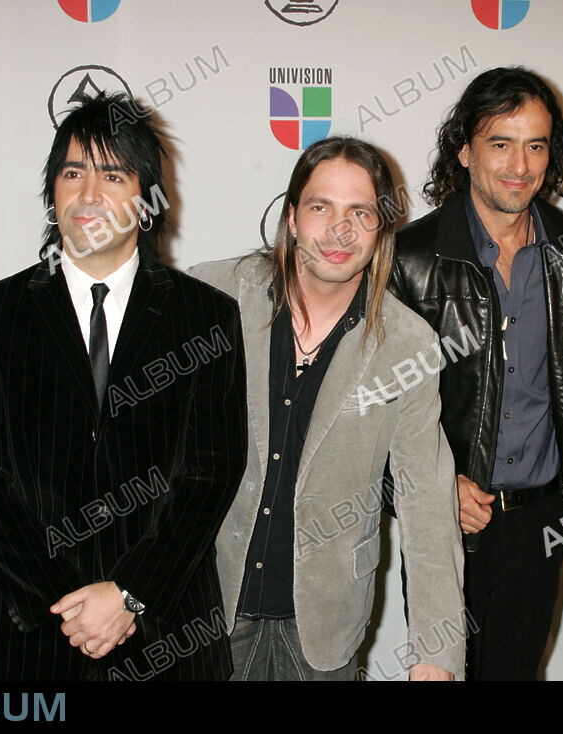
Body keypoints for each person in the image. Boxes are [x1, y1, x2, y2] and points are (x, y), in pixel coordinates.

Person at [0, 93, 248, 680]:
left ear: (147, 198)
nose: (89, 194)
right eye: (73, 172)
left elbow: (212, 469)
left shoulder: (206, 316)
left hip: (167, 631)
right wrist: (65, 606)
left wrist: (130, 595)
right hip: (31, 635)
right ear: (51, 190)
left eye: (113, 174)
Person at [189, 136, 464, 681]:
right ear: (292, 218)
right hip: (205, 608)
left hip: (325, 627)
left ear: (382, 227)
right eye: (321, 208)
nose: (340, 232)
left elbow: (427, 504)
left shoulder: (409, 344)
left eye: (360, 213)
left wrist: (436, 653)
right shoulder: (211, 297)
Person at [389, 67, 563, 680]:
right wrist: (432, 487)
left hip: (539, 521)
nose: (520, 164)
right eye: (500, 143)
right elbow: (377, 403)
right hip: (447, 518)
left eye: (536, 144)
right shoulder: (411, 258)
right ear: (465, 151)